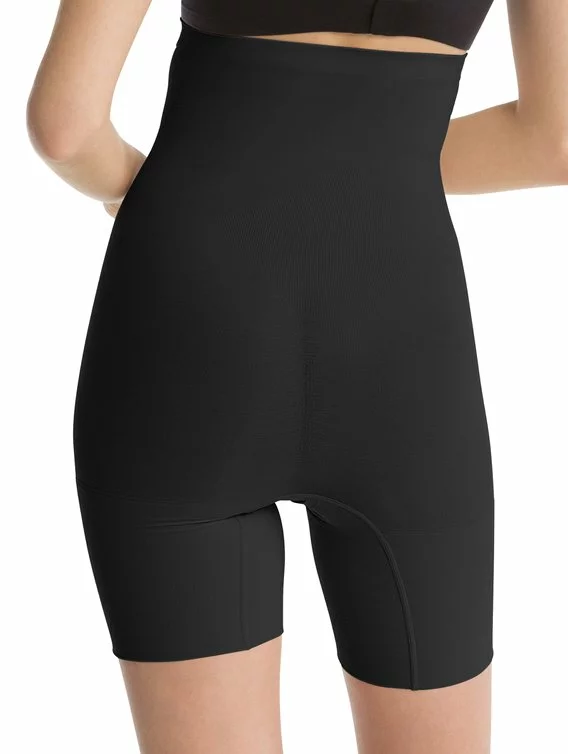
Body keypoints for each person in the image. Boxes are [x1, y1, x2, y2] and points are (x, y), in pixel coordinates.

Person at [26, 2, 568, 752]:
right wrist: (377, 156)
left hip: (185, 320)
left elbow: (65, 124)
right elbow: (554, 139)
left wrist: (146, 188)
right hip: (402, 340)